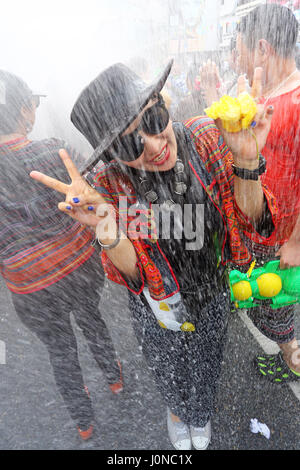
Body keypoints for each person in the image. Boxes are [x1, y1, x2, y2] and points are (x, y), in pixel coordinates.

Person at [30, 61, 276, 450]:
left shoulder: (205, 138)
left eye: (154, 118)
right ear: (112, 153)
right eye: (130, 144)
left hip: (211, 290)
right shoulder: (111, 183)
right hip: (155, 305)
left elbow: (253, 219)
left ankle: (200, 414)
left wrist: (246, 160)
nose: (155, 145)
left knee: (208, 362)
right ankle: (179, 413)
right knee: (169, 370)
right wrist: (107, 230)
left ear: (163, 102)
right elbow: (135, 273)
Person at [0, 70, 123, 441]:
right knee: (91, 318)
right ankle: (114, 376)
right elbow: (98, 182)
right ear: (24, 111)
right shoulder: (52, 151)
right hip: (77, 269)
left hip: (30, 287)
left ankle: (83, 421)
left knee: (60, 349)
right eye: (33, 104)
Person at [236, 4, 300, 383]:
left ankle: (291, 358)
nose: (238, 59)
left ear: (262, 49)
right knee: (264, 300)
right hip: (264, 229)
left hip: (282, 238)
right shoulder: (271, 95)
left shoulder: (295, 102)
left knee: (278, 306)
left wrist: (296, 241)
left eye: (241, 49)